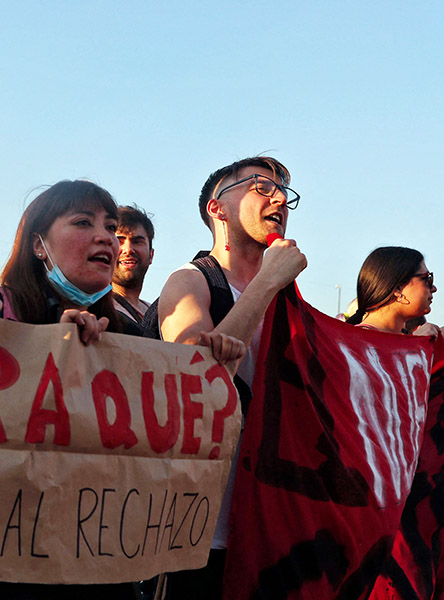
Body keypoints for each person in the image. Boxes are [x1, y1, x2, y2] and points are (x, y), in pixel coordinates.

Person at [0, 180, 244, 600]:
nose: (106, 237)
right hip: (1, 562)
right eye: (84, 222)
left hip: (97, 564)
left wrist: (215, 377)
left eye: (109, 225)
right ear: (38, 245)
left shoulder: (127, 337)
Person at [150, 156, 307, 597]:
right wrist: (266, 283)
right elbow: (197, 382)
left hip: (260, 529)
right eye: (261, 186)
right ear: (217, 208)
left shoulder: (285, 301)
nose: (278, 199)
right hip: (194, 533)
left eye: (284, 193)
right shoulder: (190, 281)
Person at [345, 246, 439, 336]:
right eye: (427, 279)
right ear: (397, 288)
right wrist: (412, 346)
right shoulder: (355, 342)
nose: (434, 288)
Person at [111, 205, 155, 332]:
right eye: (120, 241)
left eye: (137, 241)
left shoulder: (158, 313)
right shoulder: (95, 310)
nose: (128, 250)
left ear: (151, 255)